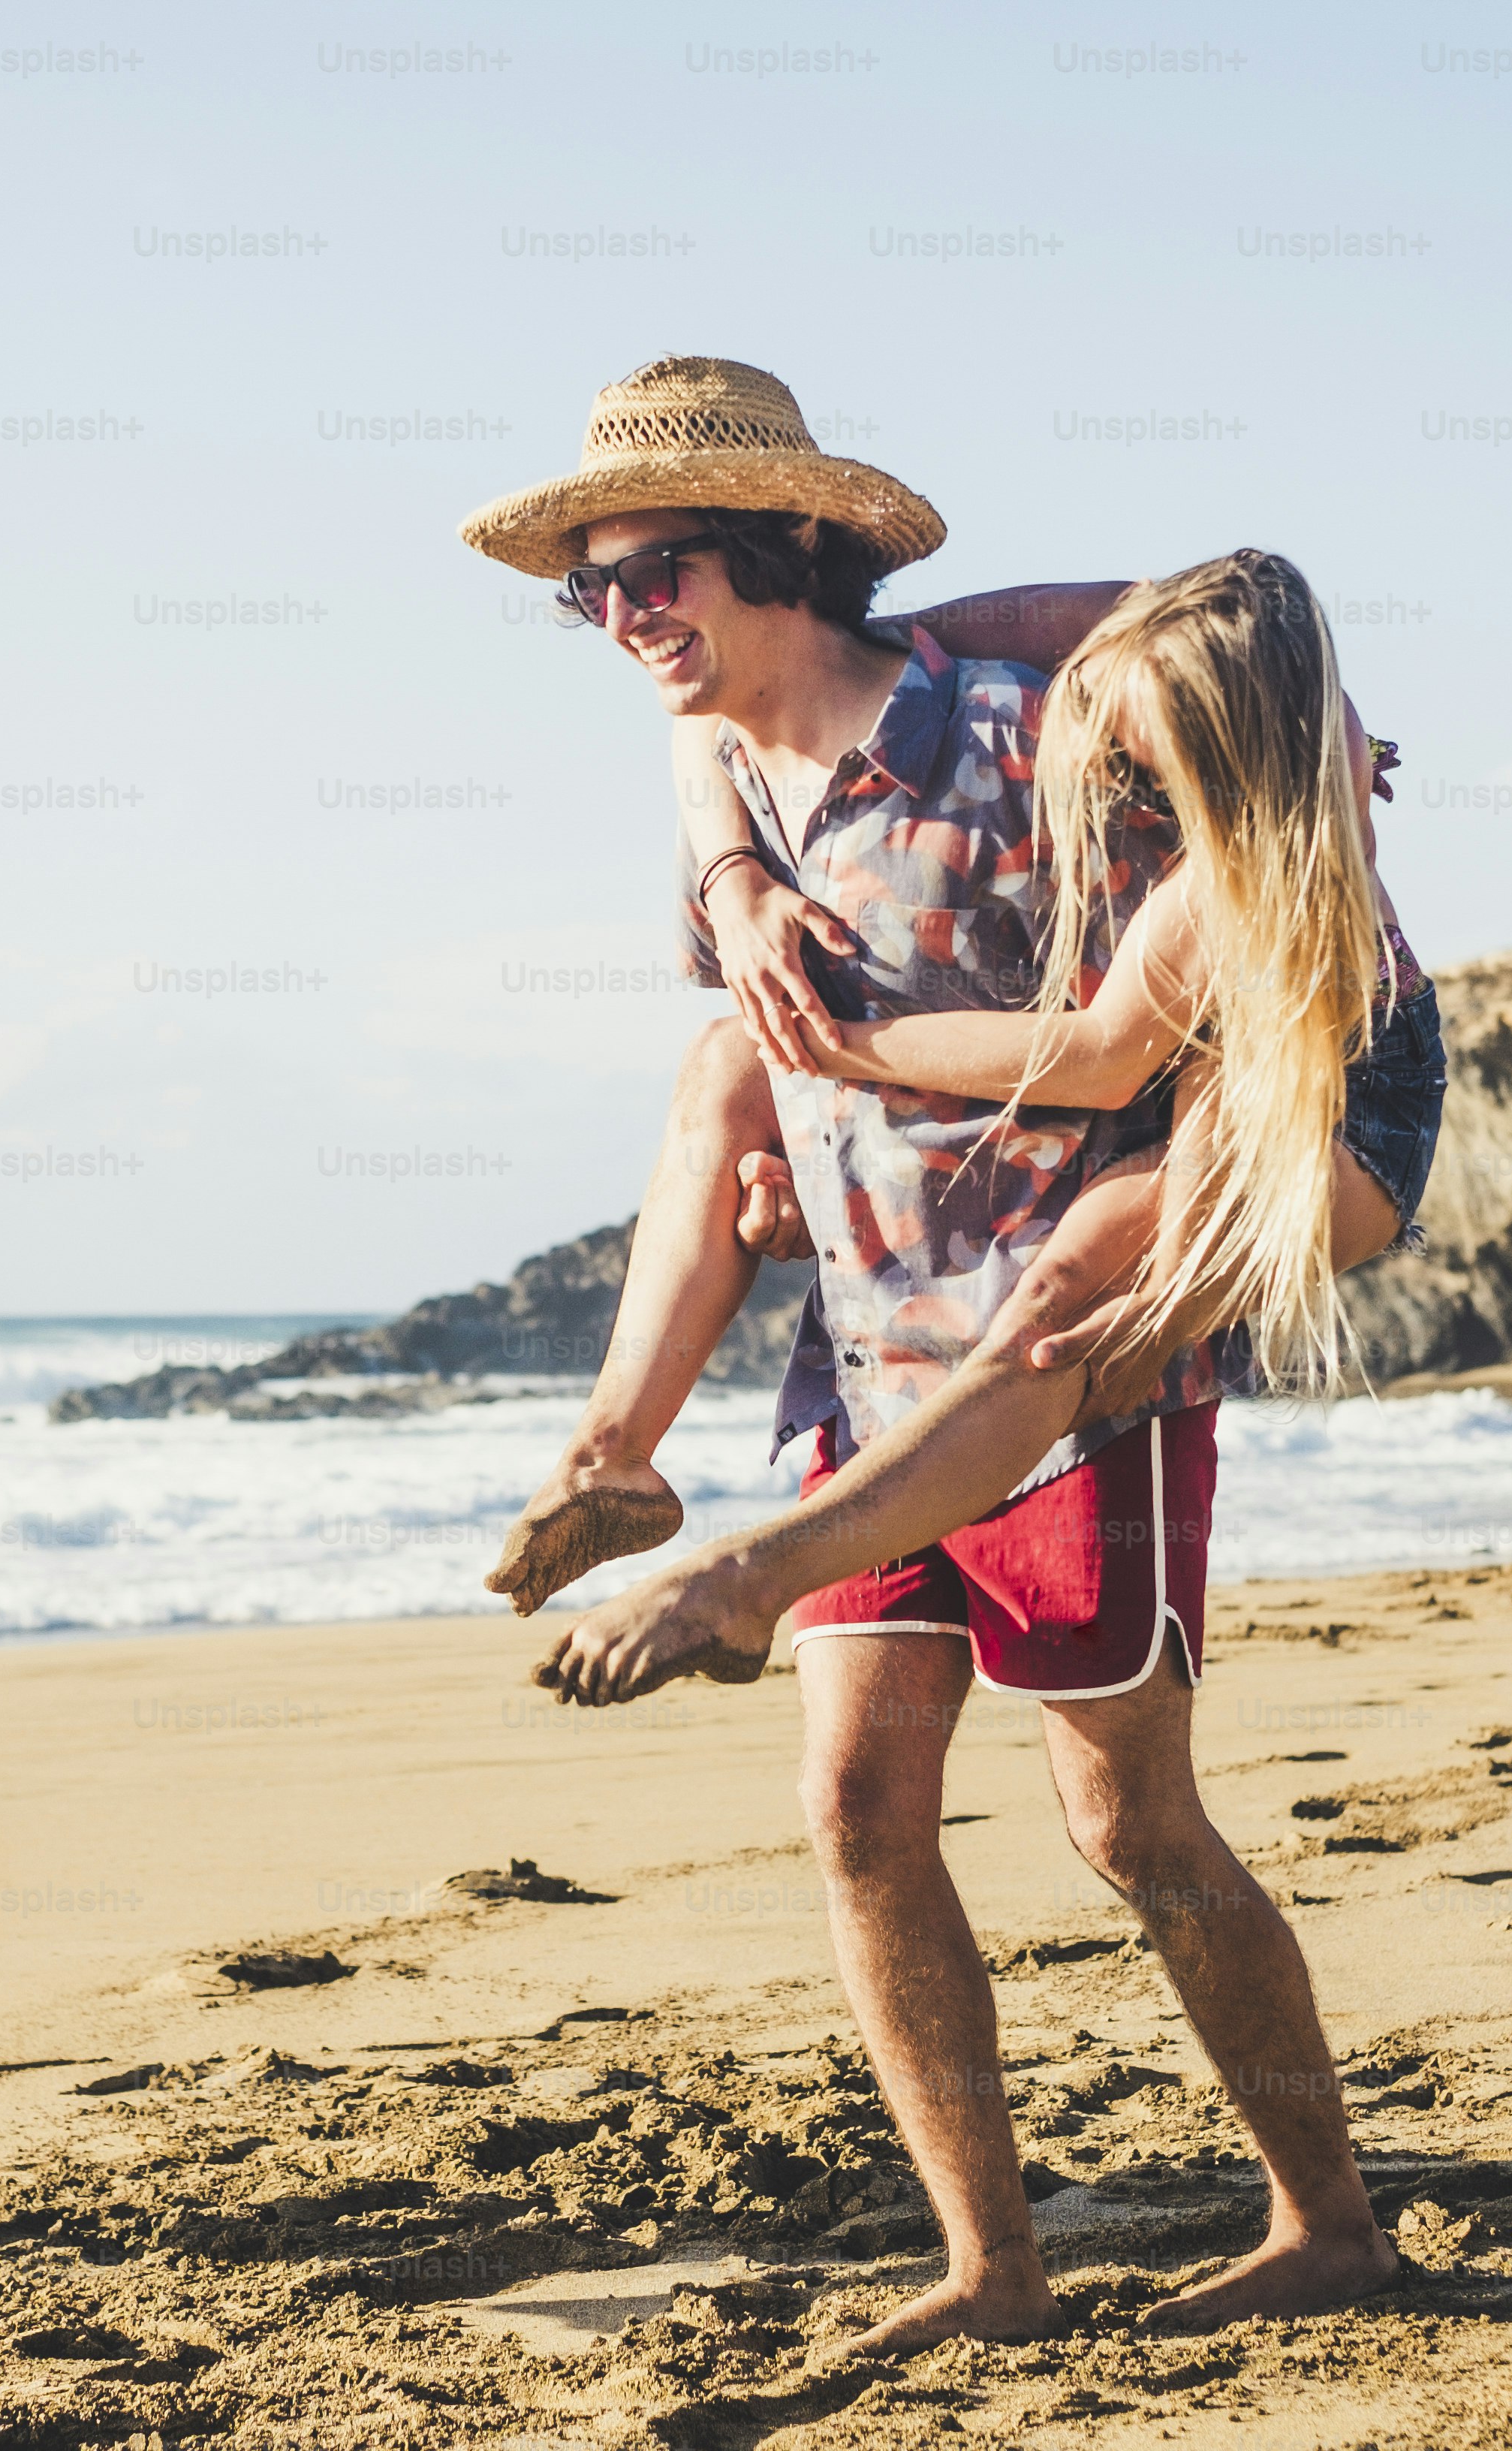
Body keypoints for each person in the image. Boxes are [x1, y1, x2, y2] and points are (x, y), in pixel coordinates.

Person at [465, 367, 1430, 2350]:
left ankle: (1327, 2221)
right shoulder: (727, 798)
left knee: (1130, 1827)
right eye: (589, 591)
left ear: (782, 550)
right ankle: (992, 2271)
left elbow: (1189, 976)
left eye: (655, 572)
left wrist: (1314, 743)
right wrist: (752, 986)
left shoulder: (1037, 732)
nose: (621, 618)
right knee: (855, 1809)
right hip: (868, 1367)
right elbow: (760, 1043)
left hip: (1077, 1366)